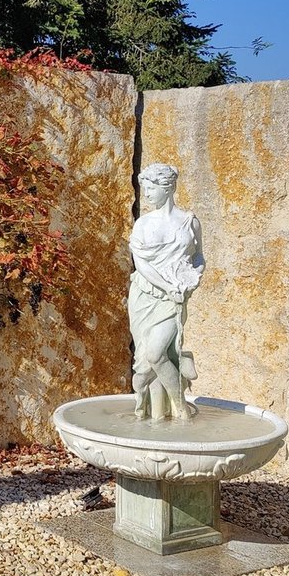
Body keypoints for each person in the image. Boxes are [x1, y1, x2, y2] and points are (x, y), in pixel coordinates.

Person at [129, 163, 204, 419]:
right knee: (146, 359)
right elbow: (142, 265)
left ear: (167, 188)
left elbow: (199, 258)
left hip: (174, 300)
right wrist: (168, 286)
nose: (146, 195)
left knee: (156, 352)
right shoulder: (143, 224)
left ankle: (180, 406)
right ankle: (158, 416)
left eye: (150, 189)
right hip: (145, 295)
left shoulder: (189, 222)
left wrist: (194, 279)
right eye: (144, 189)